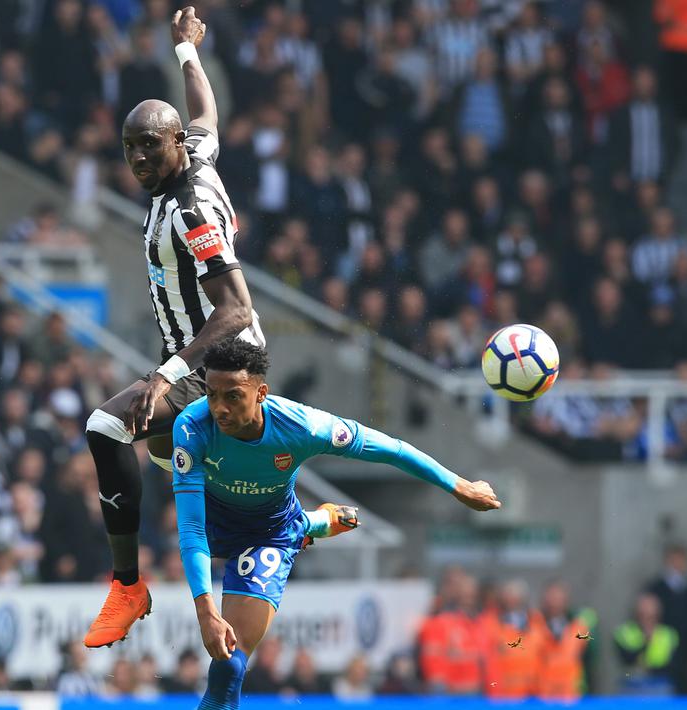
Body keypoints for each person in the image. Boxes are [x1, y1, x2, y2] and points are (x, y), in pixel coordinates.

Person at [170, 339, 500, 709]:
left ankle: (307, 525)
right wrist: (206, 611)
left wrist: (457, 484)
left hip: (268, 536)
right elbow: (193, 531)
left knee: (229, 665)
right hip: (212, 524)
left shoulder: (303, 426)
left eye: (232, 397)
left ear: (261, 392)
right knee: (156, 448)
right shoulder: (192, 426)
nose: (219, 409)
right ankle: (315, 522)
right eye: (212, 395)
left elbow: (390, 448)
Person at [83, 6, 264, 649]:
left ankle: (127, 588)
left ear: (173, 147)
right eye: (129, 147)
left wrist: (163, 375)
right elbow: (208, 116)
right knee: (175, 466)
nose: (137, 158)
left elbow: (237, 309)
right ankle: (300, 524)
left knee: (107, 428)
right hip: (193, 360)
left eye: (149, 145)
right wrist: (188, 52)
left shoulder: (188, 210)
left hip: (222, 366)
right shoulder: (199, 157)